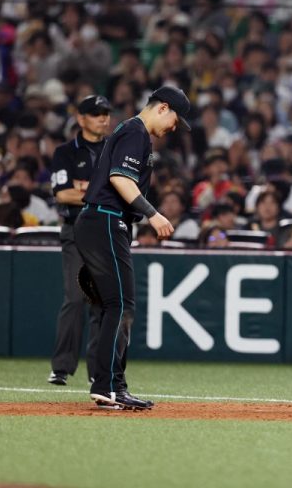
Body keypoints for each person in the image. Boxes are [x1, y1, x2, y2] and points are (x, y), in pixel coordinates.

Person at [74, 85, 190, 410]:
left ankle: (108, 385)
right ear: (163, 108)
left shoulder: (135, 133)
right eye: (176, 120)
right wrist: (153, 214)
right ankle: (109, 386)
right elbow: (120, 179)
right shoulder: (135, 131)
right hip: (106, 219)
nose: (175, 128)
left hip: (103, 221)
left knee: (114, 306)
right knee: (121, 305)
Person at [47, 95, 112, 386]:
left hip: (104, 232)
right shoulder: (66, 152)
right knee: (75, 299)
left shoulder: (114, 149)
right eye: (96, 113)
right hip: (75, 230)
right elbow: (62, 193)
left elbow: (124, 190)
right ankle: (61, 367)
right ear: (81, 118)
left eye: (105, 113)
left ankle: (97, 372)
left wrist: (83, 190)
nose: (103, 118)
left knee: (101, 302)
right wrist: (101, 192)